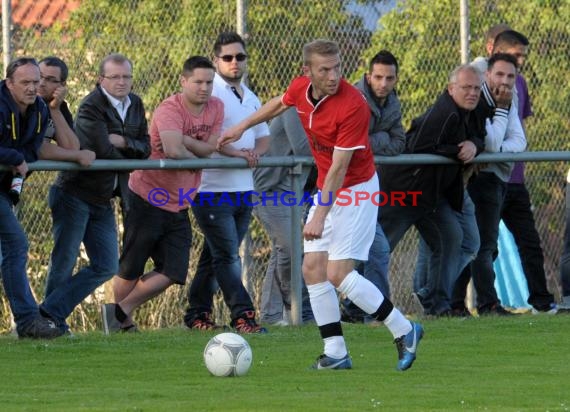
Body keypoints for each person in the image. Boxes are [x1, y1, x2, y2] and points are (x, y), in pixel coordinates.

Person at [220, 39, 423, 371]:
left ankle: (405, 329)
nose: (333, 76)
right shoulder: (301, 88)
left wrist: (320, 215)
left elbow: (341, 168)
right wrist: (241, 127)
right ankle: (336, 352)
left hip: (357, 190)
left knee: (339, 274)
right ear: (307, 71)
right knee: (312, 269)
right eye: (325, 69)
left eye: (337, 68)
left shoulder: (353, 105)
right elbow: (278, 103)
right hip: (330, 187)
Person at [100, 56, 222, 333]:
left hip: (180, 201)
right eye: (198, 82)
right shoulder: (170, 108)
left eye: (209, 82)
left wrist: (186, 142)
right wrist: (194, 147)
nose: (204, 88)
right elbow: (173, 150)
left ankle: (119, 311)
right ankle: (122, 324)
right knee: (130, 267)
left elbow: (210, 147)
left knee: (174, 271)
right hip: (147, 195)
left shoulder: (216, 107)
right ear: (183, 81)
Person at [39, 53, 150, 334]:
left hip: (104, 198)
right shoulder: (91, 105)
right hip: (75, 193)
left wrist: (125, 141)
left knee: (105, 264)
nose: (121, 82)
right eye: (115, 77)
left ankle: (47, 313)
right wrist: (129, 152)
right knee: (63, 262)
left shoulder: (135, 104)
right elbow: (103, 152)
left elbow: (146, 147)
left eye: (126, 76)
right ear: (102, 79)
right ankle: (51, 323)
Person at [380, 64, 484, 317]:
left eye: (476, 88)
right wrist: (458, 151)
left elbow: (479, 135)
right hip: (404, 193)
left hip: (431, 197)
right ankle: (353, 306)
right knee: (379, 249)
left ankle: (436, 304)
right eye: (465, 88)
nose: (472, 93)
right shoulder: (444, 114)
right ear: (451, 89)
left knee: (452, 238)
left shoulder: (472, 111)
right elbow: (419, 145)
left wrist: (474, 145)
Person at [183, 32, 270, 334]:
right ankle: (243, 315)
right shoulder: (210, 93)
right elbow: (209, 139)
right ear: (217, 60)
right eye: (228, 57)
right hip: (211, 191)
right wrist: (237, 153)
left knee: (215, 256)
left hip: (243, 190)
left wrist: (252, 155)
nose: (235, 63)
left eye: (240, 57)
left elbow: (264, 137)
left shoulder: (250, 95)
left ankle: (197, 314)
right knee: (227, 256)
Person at [492, 30, 557, 313]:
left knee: (530, 243)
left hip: (515, 180)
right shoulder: (482, 80)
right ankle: (462, 303)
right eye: (517, 55)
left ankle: (541, 302)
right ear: (497, 52)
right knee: (482, 246)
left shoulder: (520, 83)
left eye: (522, 57)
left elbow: (519, 127)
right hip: (489, 179)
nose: (520, 62)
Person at [341, 50, 405, 323]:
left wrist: (370, 140)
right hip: (341, 188)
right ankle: (301, 314)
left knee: (374, 252)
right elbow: (352, 144)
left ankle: (362, 312)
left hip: (365, 186)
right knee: (323, 261)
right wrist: (377, 139)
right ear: (368, 76)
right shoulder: (352, 99)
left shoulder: (392, 102)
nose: (383, 83)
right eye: (378, 77)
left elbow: (399, 141)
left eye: (389, 78)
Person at [0, 57, 62, 338]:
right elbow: (19, 152)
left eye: (36, 82)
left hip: (4, 188)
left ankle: (27, 321)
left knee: (14, 246)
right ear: (8, 83)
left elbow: (34, 148)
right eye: (25, 82)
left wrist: (19, 158)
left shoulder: (39, 109)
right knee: (16, 244)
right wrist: (13, 156)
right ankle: (27, 321)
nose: (32, 88)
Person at [467, 53, 527, 315]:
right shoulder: (478, 97)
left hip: (495, 177)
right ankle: (486, 303)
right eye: (499, 74)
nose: (505, 81)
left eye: (511, 76)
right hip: (475, 179)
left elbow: (519, 142)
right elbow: (490, 143)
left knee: (483, 246)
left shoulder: (508, 99)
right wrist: (494, 149)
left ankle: (457, 303)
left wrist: (494, 153)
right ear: (487, 75)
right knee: (478, 245)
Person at [253, 107, 314, 326]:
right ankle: (289, 306)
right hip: (270, 187)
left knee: (283, 250)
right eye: (323, 71)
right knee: (288, 247)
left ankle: (272, 315)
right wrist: (339, 145)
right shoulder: (294, 106)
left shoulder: (329, 106)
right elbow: (303, 149)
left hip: (295, 188)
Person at [36, 56, 96, 166]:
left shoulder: (58, 106)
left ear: (62, 85)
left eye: (50, 79)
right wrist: (78, 156)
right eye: (39, 76)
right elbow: (35, 147)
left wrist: (54, 110)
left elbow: (71, 147)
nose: (41, 83)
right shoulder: (22, 102)